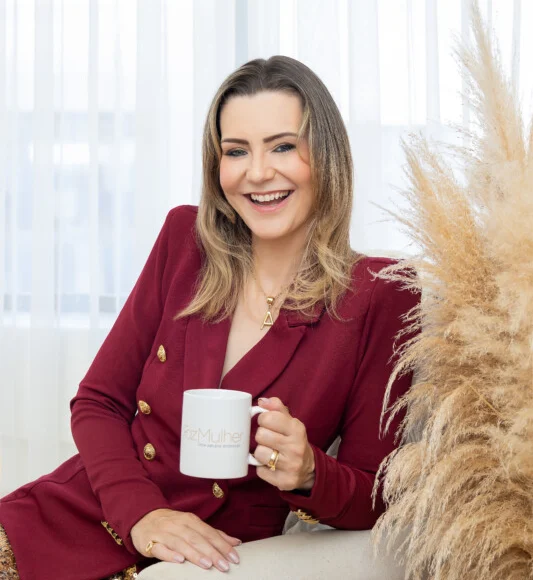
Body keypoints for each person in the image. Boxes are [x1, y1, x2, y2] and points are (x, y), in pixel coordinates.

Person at [0, 55, 419, 580]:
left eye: (283, 146)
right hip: (80, 514)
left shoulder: (382, 294)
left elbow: (377, 496)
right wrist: (143, 515)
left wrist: (311, 471)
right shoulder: (185, 240)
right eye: (236, 151)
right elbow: (98, 402)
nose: (257, 173)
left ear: (327, 156)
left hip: (206, 557)